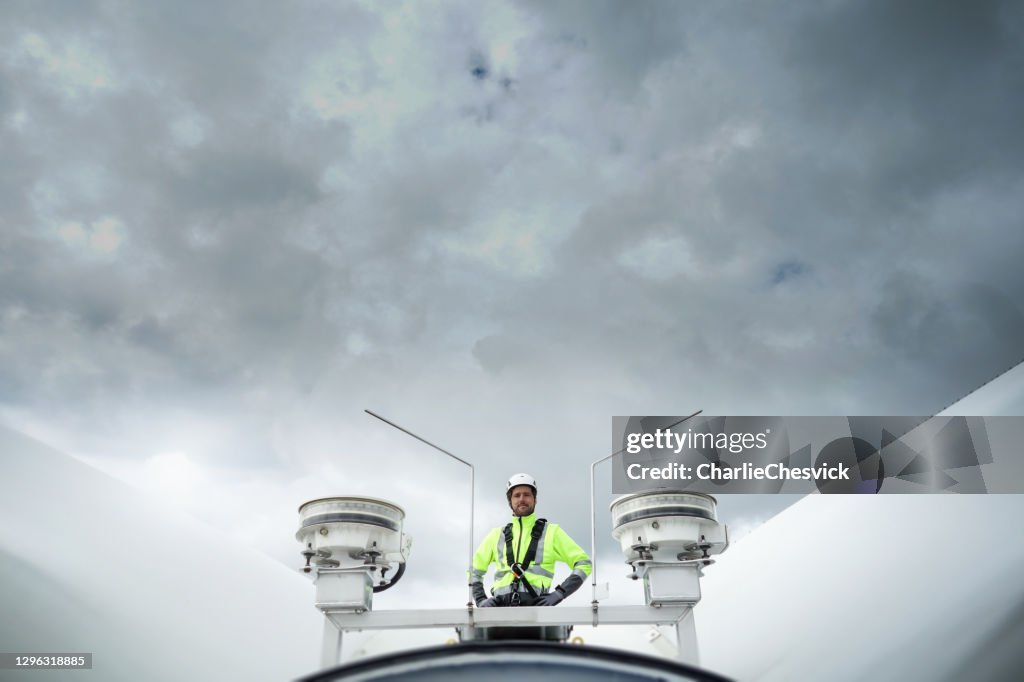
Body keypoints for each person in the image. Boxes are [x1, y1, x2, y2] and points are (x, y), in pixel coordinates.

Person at [471, 472, 592, 607]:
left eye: (527, 494)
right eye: (517, 495)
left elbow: (584, 563)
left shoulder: (552, 533)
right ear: (510, 501)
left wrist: (560, 593)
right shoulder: (496, 535)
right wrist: (481, 599)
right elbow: (474, 572)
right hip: (500, 613)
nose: (522, 499)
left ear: (535, 499)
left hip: (537, 612)